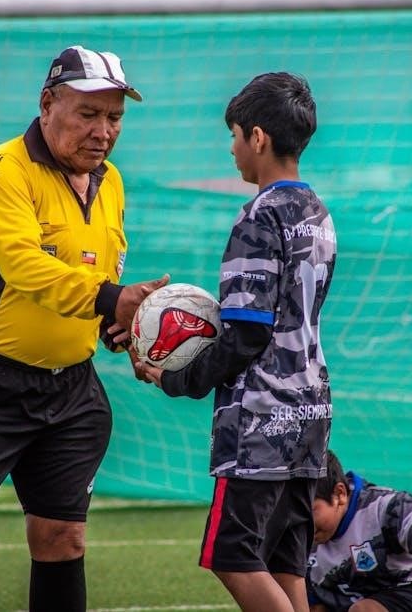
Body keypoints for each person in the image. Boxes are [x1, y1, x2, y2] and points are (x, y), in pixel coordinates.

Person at [0, 45, 169, 612]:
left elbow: (93, 276)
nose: (103, 131)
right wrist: (113, 299)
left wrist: (119, 326)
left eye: (114, 117)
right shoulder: (4, 169)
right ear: (47, 104)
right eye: (88, 113)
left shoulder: (111, 182)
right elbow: (25, 268)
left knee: (62, 538)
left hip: (71, 388)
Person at [137, 72, 337, 612]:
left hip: (261, 421)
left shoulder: (259, 215)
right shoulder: (318, 214)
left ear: (258, 137)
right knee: (285, 564)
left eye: (233, 135)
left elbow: (247, 332)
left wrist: (178, 379)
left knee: (232, 556)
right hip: (311, 413)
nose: (231, 149)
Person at [307, 451, 412, 612]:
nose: (302, 525)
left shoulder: (385, 507)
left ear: (339, 494)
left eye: (310, 511)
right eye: (295, 514)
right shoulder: (299, 540)